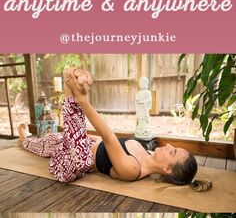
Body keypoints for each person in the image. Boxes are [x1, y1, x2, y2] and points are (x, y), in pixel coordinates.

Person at [18, 68, 198, 186]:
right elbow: (105, 143)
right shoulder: (148, 151)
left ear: (167, 169)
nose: (168, 146)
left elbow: (109, 138)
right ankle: (73, 80)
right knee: (48, 141)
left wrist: (83, 101)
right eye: (174, 147)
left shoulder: (133, 170)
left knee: (79, 156)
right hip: (83, 141)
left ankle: (25, 139)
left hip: (74, 158)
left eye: (172, 152)